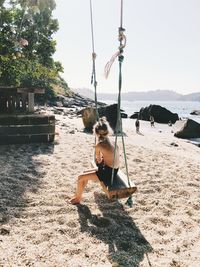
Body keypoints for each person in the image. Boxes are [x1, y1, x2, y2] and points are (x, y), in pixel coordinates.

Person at [69, 117, 120, 205]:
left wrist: (99, 158)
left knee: (80, 177)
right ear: (107, 131)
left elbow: (99, 161)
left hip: (108, 173)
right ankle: (78, 195)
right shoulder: (112, 142)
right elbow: (113, 156)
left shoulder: (99, 145)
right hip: (114, 170)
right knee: (84, 173)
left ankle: (77, 199)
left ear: (96, 133)